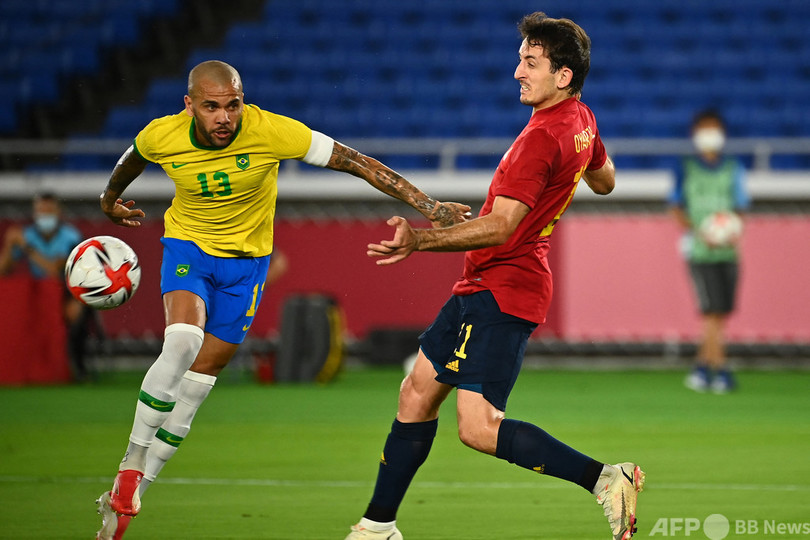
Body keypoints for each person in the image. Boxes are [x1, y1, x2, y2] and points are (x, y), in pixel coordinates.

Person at [93, 60, 471, 540]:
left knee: (197, 386)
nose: (224, 117)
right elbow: (133, 156)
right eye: (211, 107)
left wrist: (430, 207)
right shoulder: (161, 134)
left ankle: (135, 492)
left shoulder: (271, 131)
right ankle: (131, 464)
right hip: (190, 250)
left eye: (233, 105)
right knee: (183, 341)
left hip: (247, 267)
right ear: (189, 106)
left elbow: (354, 161)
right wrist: (109, 198)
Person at [345, 13, 645, 540]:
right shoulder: (581, 119)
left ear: (563, 76)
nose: (517, 72)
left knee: (479, 428)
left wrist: (421, 240)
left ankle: (606, 479)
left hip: (505, 289)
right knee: (415, 394)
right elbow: (605, 180)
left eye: (530, 63)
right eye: (520, 59)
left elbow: (503, 227)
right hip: (483, 284)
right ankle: (377, 526)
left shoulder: (541, 138)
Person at [669, 110, 749, 394]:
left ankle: (702, 369)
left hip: (728, 252)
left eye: (714, 128)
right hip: (700, 252)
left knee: (720, 313)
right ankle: (721, 369)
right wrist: (701, 232)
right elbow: (676, 208)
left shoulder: (733, 168)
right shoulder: (686, 168)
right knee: (710, 312)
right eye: (704, 128)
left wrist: (731, 230)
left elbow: (740, 207)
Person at [0, 193, 99, 382]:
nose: (44, 215)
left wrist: (27, 247)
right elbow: (3, 271)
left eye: (49, 211)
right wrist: (9, 245)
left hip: (67, 291)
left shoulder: (70, 237)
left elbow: (54, 271)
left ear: (58, 213)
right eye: (41, 211)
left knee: (76, 316)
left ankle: (76, 367)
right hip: (38, 295)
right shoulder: (27, 234)